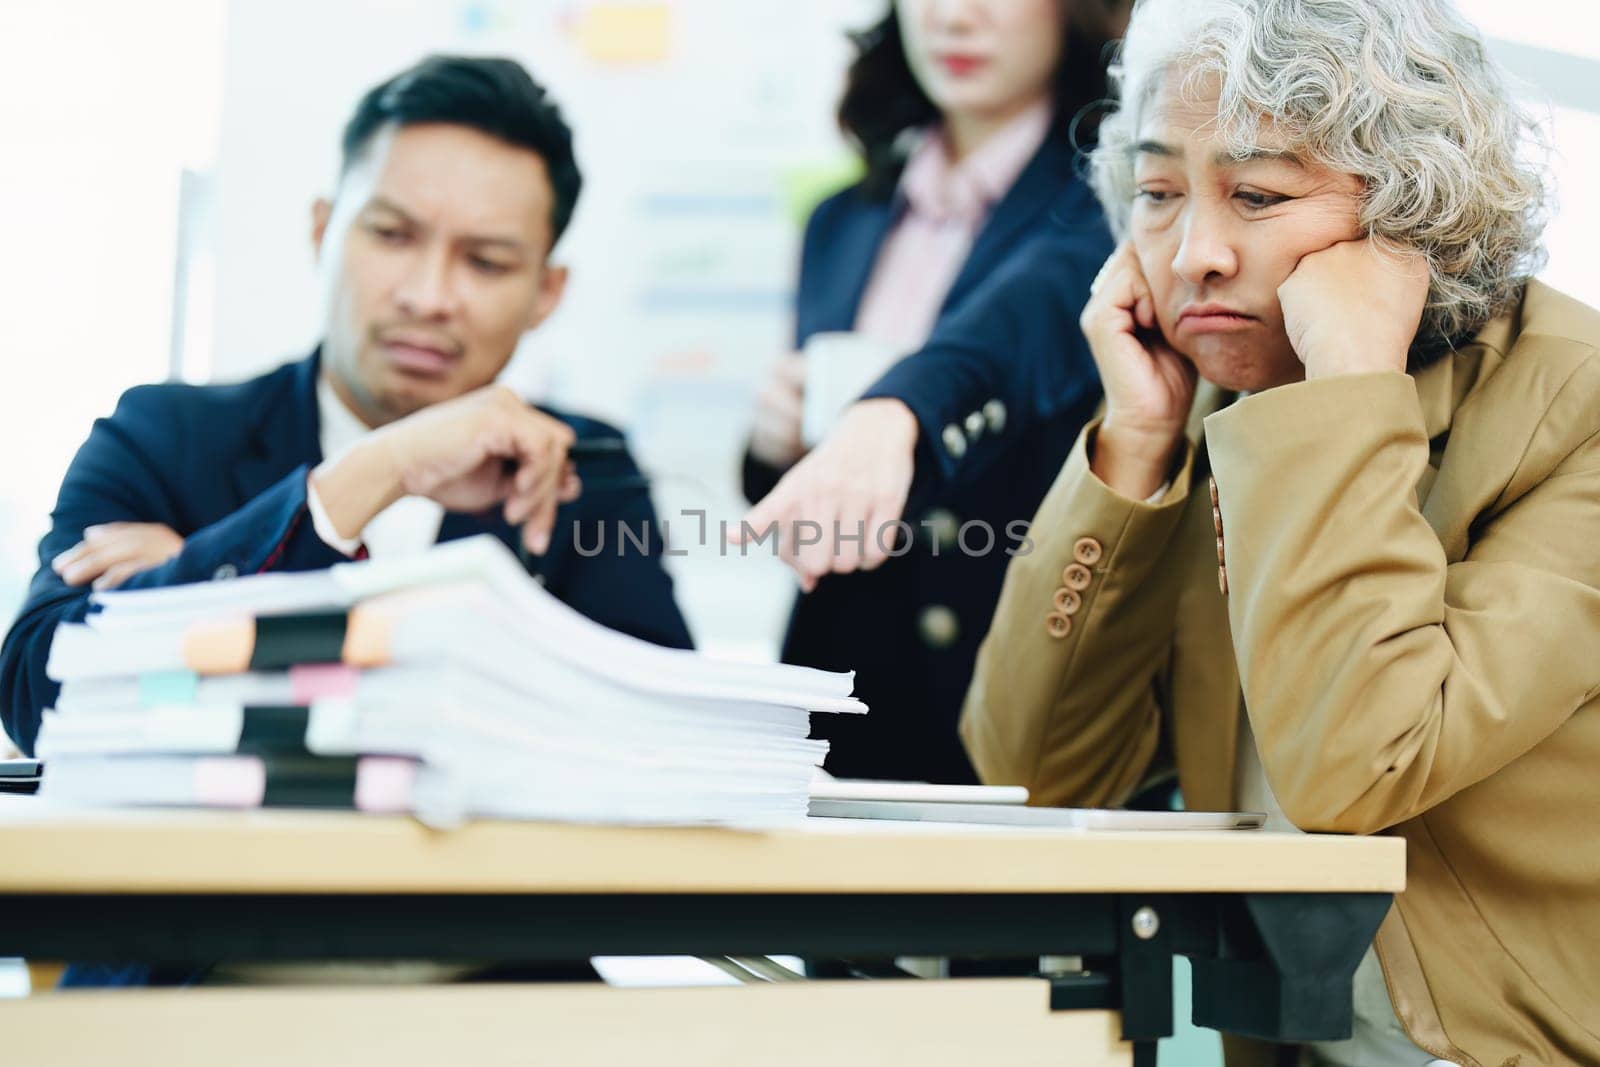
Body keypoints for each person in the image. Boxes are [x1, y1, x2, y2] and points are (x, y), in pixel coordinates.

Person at [960, 0, 1600, 1063]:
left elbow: (1358, 764)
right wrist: (1132, 444)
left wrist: (1350, 385)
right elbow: (1033, 775)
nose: (1196, 252)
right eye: (1159, 195)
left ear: (1412, 211)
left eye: (1256, 193)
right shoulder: (1214, 408)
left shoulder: (1575, 409)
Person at [1, 55, 693, 758]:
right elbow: (36, 696)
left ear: (547, 292)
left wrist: (200, 596)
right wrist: (378, 469)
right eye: (392, 235)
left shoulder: (582, 471)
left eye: (485, 261)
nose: (428, 295)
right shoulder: (164, 435)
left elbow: (663, 738)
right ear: (321, 230)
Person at [740, 0, 1124, 784]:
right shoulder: (840, 220)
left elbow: (1018, 326)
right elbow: (812, 487)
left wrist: (892, 410)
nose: (955, 17)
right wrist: (772, 442)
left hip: (1008, 692)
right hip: (837, 692)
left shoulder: (1111, 201)